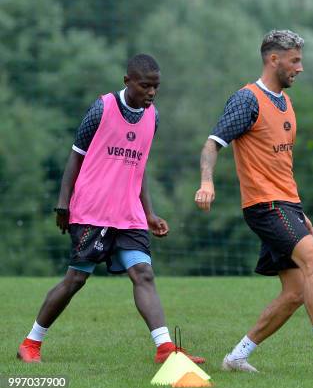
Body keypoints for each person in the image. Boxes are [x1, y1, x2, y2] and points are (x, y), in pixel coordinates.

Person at [17, 54, 204, 365]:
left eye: (156, 87)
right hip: (92, 210)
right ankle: (30, 343)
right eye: (146, 86)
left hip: (128, 214)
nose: (152, 92)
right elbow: (75, 156)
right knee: (76, 279)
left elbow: (139, 168)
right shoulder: (102, 108)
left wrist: (149, 213)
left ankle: (165, 349)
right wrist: (63, 204)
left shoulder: (153, 117)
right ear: (127, 81)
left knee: (143, 273)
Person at [194, 30, 313, 376]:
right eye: (295, 60)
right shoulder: (247, 100)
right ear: (274, 60)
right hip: (264, 205)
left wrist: (299, 210)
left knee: (295, 292)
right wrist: (206, 181)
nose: (300, 68)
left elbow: (282, 166)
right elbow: (212, 145)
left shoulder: (286, 103)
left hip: (286, 205)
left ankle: (236, 357)